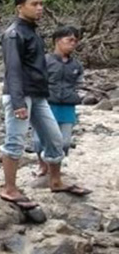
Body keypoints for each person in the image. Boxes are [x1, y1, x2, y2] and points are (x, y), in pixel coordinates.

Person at [0, 0, 90, 210]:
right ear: (20, 7)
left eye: (41, 3)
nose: (40, 8)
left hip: (38, 95)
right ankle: (9, 188)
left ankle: (56, 180)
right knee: (15, 142)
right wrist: (19, 102)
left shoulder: (32, 32)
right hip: (19, 94)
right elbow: (13, 69)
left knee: (55, 138)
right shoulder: (14, 34)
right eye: (34, 4)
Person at [34, 27, 84, 177]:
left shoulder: (76, 65)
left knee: (65, 143)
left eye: (75, 40)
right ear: (57, 41)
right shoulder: (44, 61)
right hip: (46, 104)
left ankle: (56, 169)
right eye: (69, 40)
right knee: (39, 141)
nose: (73, 43)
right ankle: (42, 165)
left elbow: (79, 83)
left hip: (68, 106)